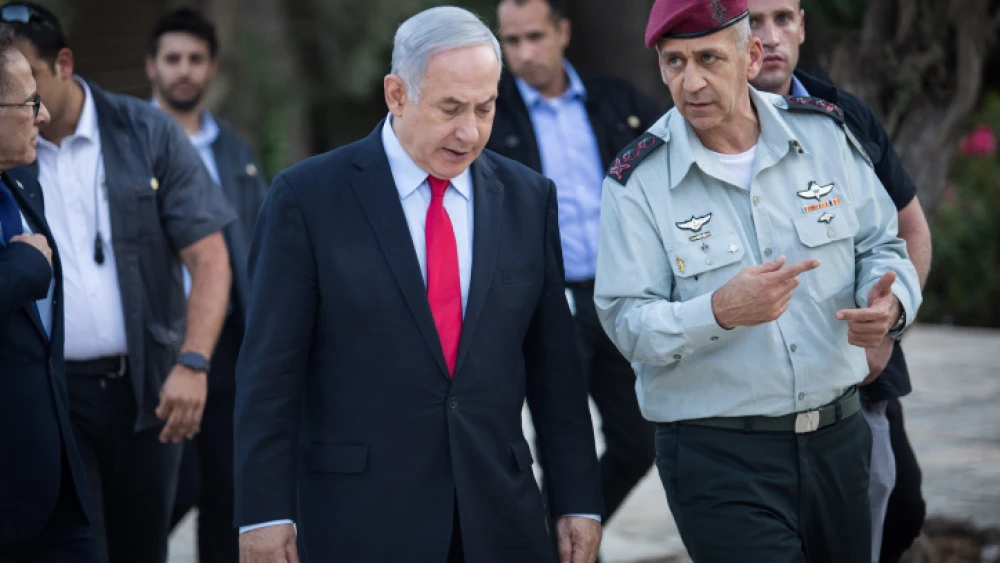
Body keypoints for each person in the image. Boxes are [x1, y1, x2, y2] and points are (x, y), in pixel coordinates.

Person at [234, 6, 603, 563]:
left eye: (486, 107)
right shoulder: (306, 199)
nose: (470, 131)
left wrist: (577, 499)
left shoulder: (528, 198)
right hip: (359, 516)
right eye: (450, 108)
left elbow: (556, 370)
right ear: (396, 94)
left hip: (500, 516)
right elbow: (270, 373)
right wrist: (264, 514)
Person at [593, 0, 923, 561]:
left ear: (750, 57)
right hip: (719, 457)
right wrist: (719, 310)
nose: (690, 80)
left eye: (708, 58)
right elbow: (627, 322)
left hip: (840, 440)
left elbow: (884, 244)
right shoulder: (637, 181)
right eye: (674, 62)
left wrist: (891, 306)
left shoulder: (823, 135)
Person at [1, 3, 236, 563]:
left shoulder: (145, 130)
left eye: (31, 78)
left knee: (143, 549)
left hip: (147, 392)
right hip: (55, 400)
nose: (31, 104)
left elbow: (210, 257)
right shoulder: (13, 156)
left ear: (62, 64)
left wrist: (195, 361)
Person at [746, 2, 932, 560]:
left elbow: (911, 230)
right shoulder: (699, 124)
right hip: (758, 400)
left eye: (782, 18)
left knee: (898, 510)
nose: (770, 37)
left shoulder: (843, 113)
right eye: (752, 21)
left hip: (860, 372)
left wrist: (890, 327)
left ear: (803, 24)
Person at [487, 0, 661, 526]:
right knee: (562, 445)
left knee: (639, 440)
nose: (523, 53)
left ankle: (561, 541)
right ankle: (572, 546)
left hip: (617, 293)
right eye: (511, 41)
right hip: (544, 301)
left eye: (534, 37)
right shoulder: (490, 114)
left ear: (563, 32)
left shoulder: (617, 101)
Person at [146, 9, 268, 563]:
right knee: (164, 495)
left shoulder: (237, 155)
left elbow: (256, 253)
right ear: (151, 67)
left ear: (212, 66)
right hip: (158, 346)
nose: (184, 70)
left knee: (230, 497)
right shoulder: (130, 147)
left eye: (196, 59)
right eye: (173, 58)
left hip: (232, 348)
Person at [0, 22, 94, 563]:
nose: (44, 115)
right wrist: (20, 268)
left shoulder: (20, 181)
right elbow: (26, 272)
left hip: (56, 487)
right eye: (30, 102)